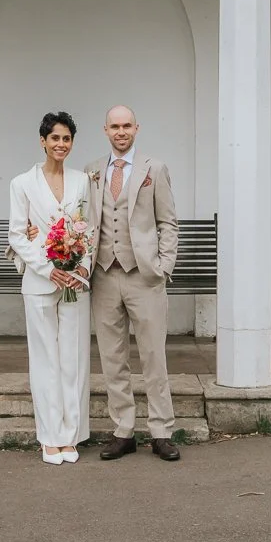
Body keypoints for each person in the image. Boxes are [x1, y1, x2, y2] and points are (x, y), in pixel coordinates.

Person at [86, 105, 180, 461]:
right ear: (105, 130)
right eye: (115, 126)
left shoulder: (154, 169)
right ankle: (123, 430)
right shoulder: (93, 170)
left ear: (136, 129)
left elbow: (168, 223)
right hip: (104, 275)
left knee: (154, 356)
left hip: (144, 275)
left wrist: (163, 267)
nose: (121, 132)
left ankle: (161, 431)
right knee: (113, 358)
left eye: (127, 126)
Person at [7, 111, 95, 465]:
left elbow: (90, 229)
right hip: (41, 282)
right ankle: (49, 437)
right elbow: (17, 233)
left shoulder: (82, 181)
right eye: (55, 138)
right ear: (42, 141)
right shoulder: (22, 183)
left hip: (75, 280)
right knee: (45, 360)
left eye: (67, 138)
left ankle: (72, 434)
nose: (61, 144)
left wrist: (81, 267)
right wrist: (48, 269)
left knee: (73, 358)